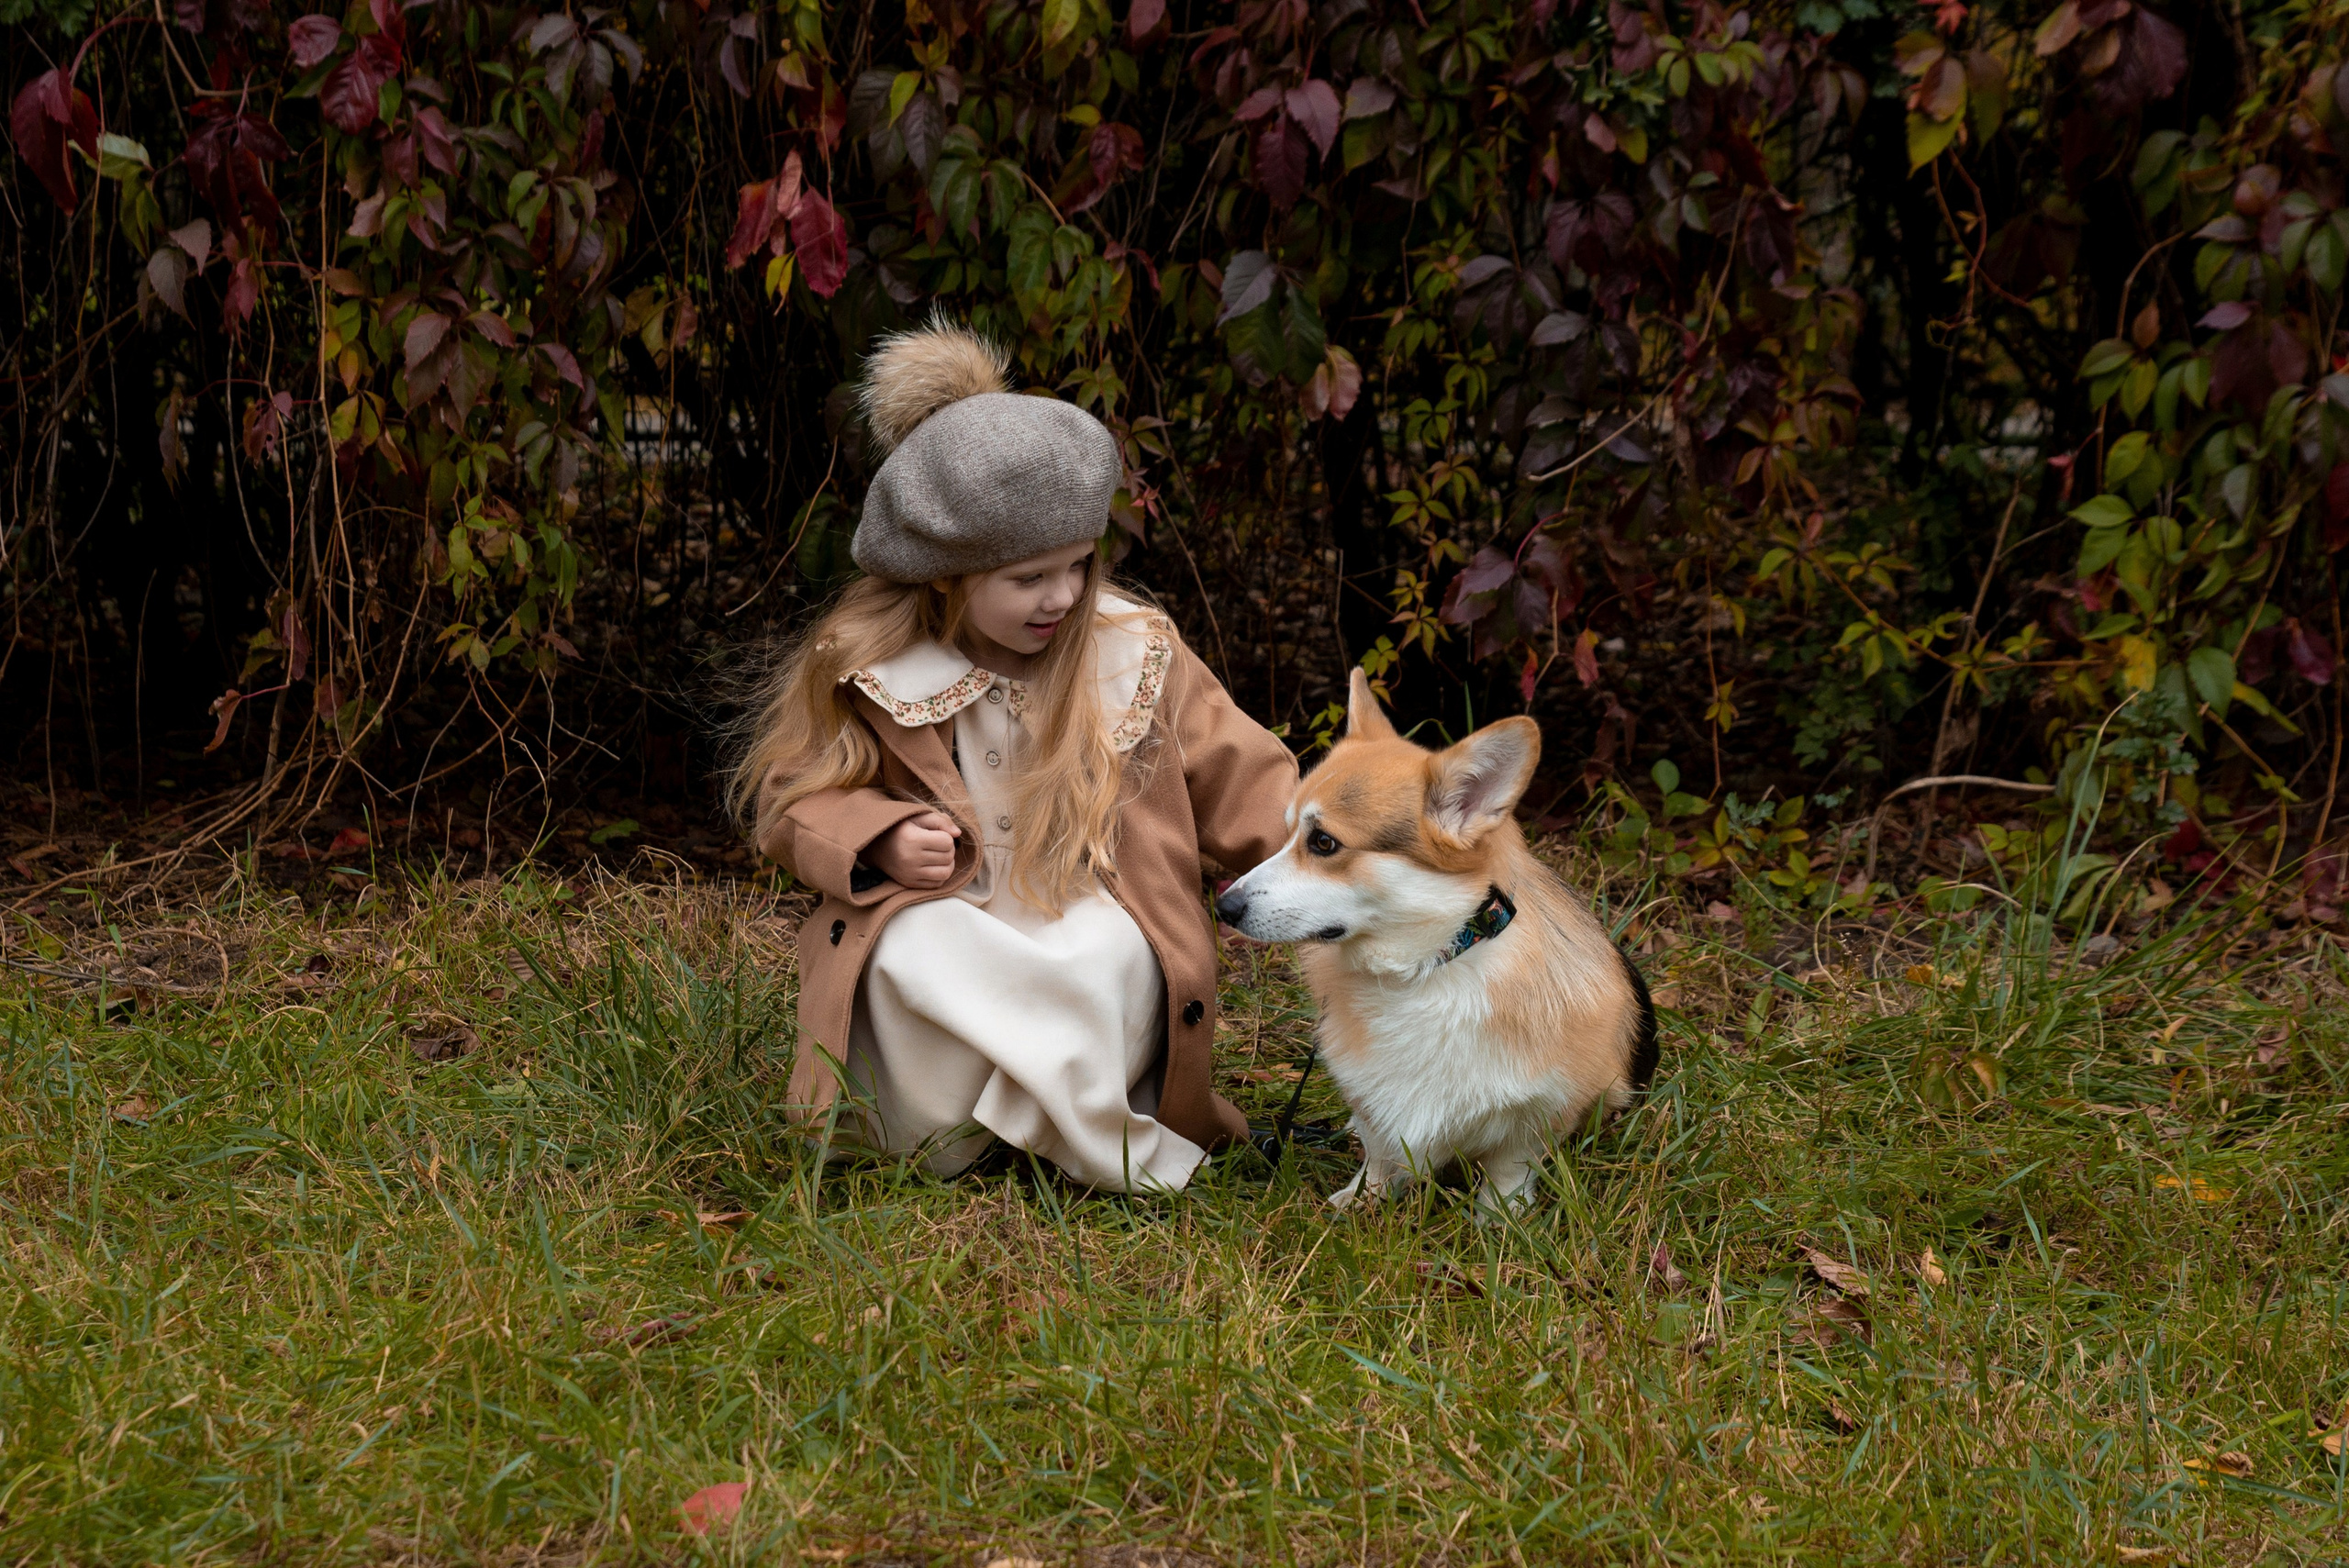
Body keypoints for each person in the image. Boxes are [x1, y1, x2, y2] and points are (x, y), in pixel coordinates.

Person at [729, 321, 1297, 1193]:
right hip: (953, 914)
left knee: (1109, 955)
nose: (1062, 597)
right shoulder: (874, 668)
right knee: (907, 949)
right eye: (1029, 578)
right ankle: (965, 1132)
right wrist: (878, 837)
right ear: (943, 575)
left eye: (1079, 566)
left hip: (1086, 899)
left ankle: (1067, 1129)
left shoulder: (1129, 651)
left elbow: (1245, 775)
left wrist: (1338, 851)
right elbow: (790, 798)